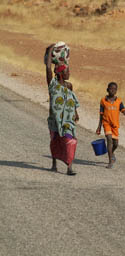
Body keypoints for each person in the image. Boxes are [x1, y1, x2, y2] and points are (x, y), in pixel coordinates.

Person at [45, 43, 79, 175]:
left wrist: (76, 112)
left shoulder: (69, 85)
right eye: (66, 71)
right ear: (60, 73)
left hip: (68, 120)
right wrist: (50, 52)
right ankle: (54, 163)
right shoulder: (53, 85)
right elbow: (48, 68)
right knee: (55, 141)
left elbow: (71, 100)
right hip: (54, 119)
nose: (69, 73)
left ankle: (69, 167)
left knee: (70, 141)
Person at [96, 82, 125, 169]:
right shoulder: (103, 101)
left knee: (116, 144)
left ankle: (111, 152)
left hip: (115, 125)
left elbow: (123, 111)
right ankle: (110, 161)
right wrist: (99, 126)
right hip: (106, 123)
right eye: (111, 89)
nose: (112, 90)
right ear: (107, 90)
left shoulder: (119, 101)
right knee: (109, 140)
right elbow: (101, 114)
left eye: (114, 89)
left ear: (116, 91)